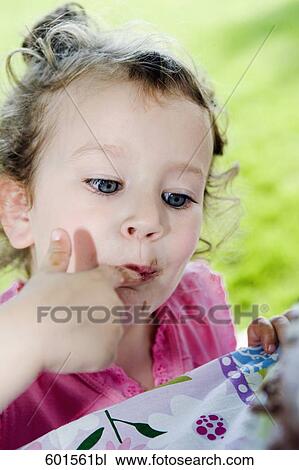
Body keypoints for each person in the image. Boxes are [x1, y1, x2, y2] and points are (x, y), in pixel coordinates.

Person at [0, 2, 293, 449]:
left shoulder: (197, 303)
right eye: (105, 183)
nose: (149, 221)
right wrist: (24, 339)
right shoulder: (13, 360)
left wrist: (255, 367)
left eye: (176, 197)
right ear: (21, 209)